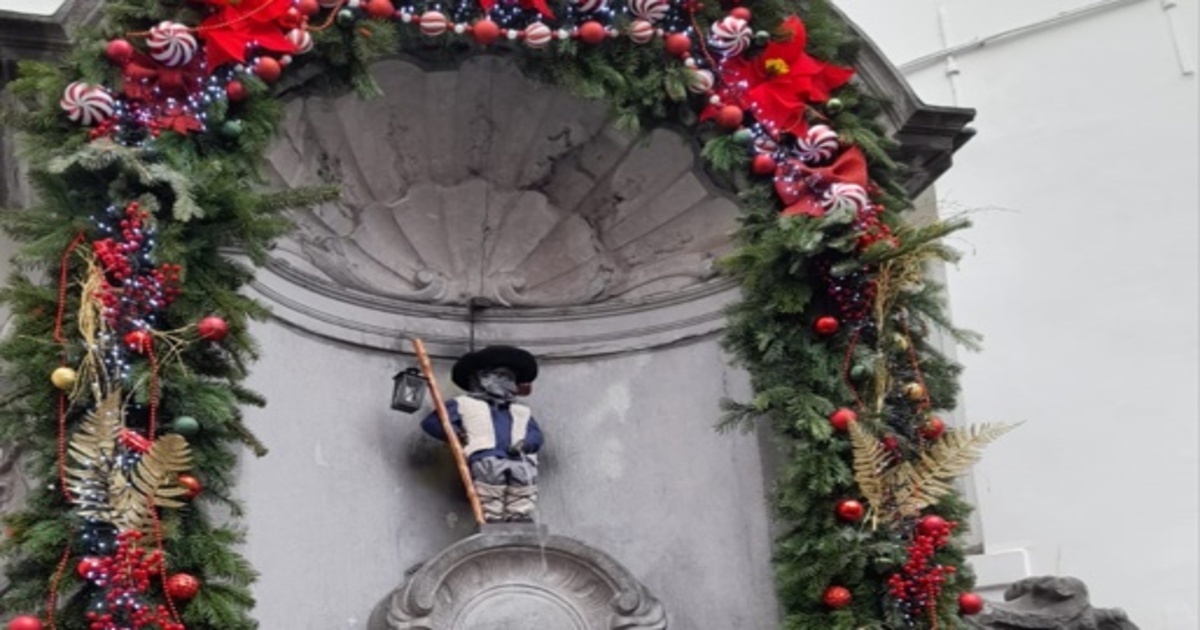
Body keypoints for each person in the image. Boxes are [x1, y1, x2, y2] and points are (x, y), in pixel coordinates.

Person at [421, 345, 542, 523]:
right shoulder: (463, 404)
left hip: (520, 458)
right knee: (491, 487)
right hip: (486, 455)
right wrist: (456, 434)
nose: (510, 385)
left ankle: (519, 515)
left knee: (523, 486)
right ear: (483, 378)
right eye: (503, 377)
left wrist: (527, 444)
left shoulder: (521, 410)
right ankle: (493, 517)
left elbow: (535, 434)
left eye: (512, 379)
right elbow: (432, 423)